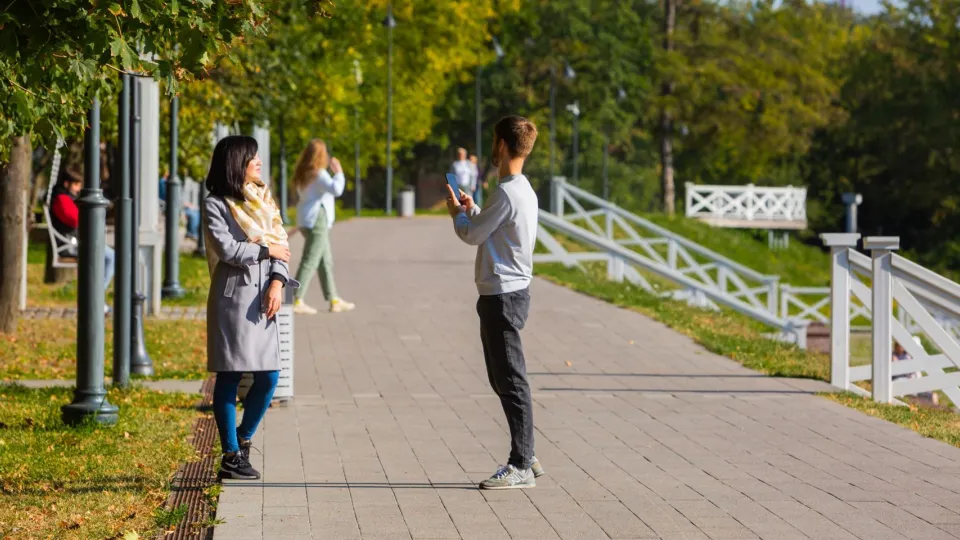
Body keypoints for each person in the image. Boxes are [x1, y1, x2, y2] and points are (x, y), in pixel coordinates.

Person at [445, 116, 545, 489]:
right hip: (504, 292)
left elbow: (472, 236)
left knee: (511, 380)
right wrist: (473, 210)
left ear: (501, 145)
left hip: (503, 295)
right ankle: (526, 452)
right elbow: (490, 229)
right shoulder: (519, 189)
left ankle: (521, 463)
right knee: (502, 378)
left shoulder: (506, 193)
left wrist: (457, 216)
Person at [203, 135, 299, 480]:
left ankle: (242, 440)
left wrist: (277, 283)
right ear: (236, 163)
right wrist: (265, 250)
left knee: (269, 376)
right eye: (252, 157)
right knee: (230, 375)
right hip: (234, 300)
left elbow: (281, 244)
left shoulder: (264, 200)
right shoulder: (216, 204)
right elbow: (228, 249)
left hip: (264, 298)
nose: (258, 162)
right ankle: (231, 456)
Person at [291, 139, 355, 315]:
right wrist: (339, 172)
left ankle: (334, 299)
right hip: (317, 219)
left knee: (325, 261)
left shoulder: (303, 173)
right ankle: (296, 298)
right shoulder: (318, 174)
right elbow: (336, 189)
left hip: (305, 219)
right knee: (310, 260)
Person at [50, 168, 115, 314]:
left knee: (109, 257)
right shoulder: (62, 199)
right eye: (76, 185)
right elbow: (75, 220)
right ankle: (95, 296)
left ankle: (96, 297)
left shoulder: (65, 198)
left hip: (76, 242)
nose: (79, 188)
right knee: (111, 258)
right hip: (71, 245)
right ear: (66, 184)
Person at [160, 169, 201, 240]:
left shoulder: (170, 182)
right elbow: (177, 199)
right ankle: (192, 234)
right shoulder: (164, 182)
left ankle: (191, 234)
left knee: (196, 213)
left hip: (179, 206)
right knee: (194, 214)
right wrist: (187, 205)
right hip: (177, 207)